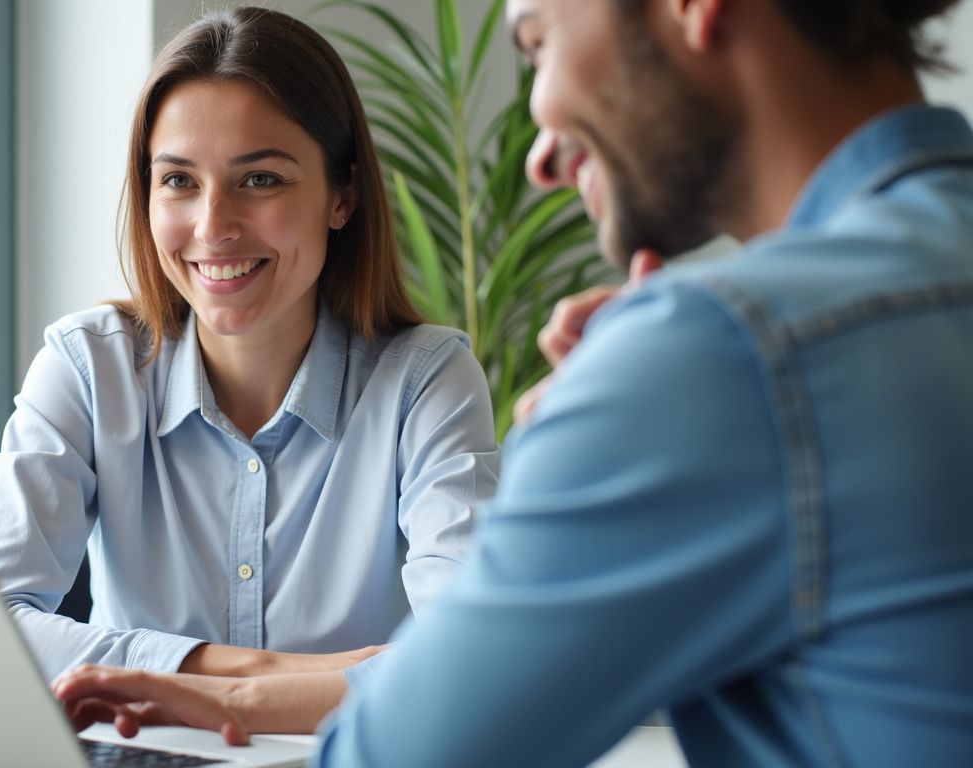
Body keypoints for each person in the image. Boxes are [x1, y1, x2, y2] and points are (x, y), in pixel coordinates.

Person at [49, 0, 973, 764]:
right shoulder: (778, 343)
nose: (540, 152)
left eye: (539, 43)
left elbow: (409, 752)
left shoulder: (722, 355)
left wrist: (635, 404)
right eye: (176, 181)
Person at [0, 4, 500, 729]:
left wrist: (228, 697)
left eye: (261, 181)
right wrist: (237, 666)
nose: (213, 227)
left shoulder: (424, 380)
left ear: (342, 196)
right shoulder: (90, 365)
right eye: (179, 181)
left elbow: (472, 661)